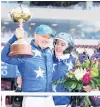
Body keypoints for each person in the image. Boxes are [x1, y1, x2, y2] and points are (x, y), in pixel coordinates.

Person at [1, 24, 55, 107]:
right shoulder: (25, 49)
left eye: (48, 38)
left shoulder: (48, 52)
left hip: (49, 98)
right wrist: (15, 38)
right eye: (44, 36)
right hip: (32, 98)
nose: (46, 40)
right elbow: (4, 57)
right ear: (36, 35)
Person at [52, 32, 75, 107]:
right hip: (47, 102)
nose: (58, 46)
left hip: (66, 104)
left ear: (69, 48)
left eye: (62, 45)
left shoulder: (74, 62)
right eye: (57, 43)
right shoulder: (48, 59)